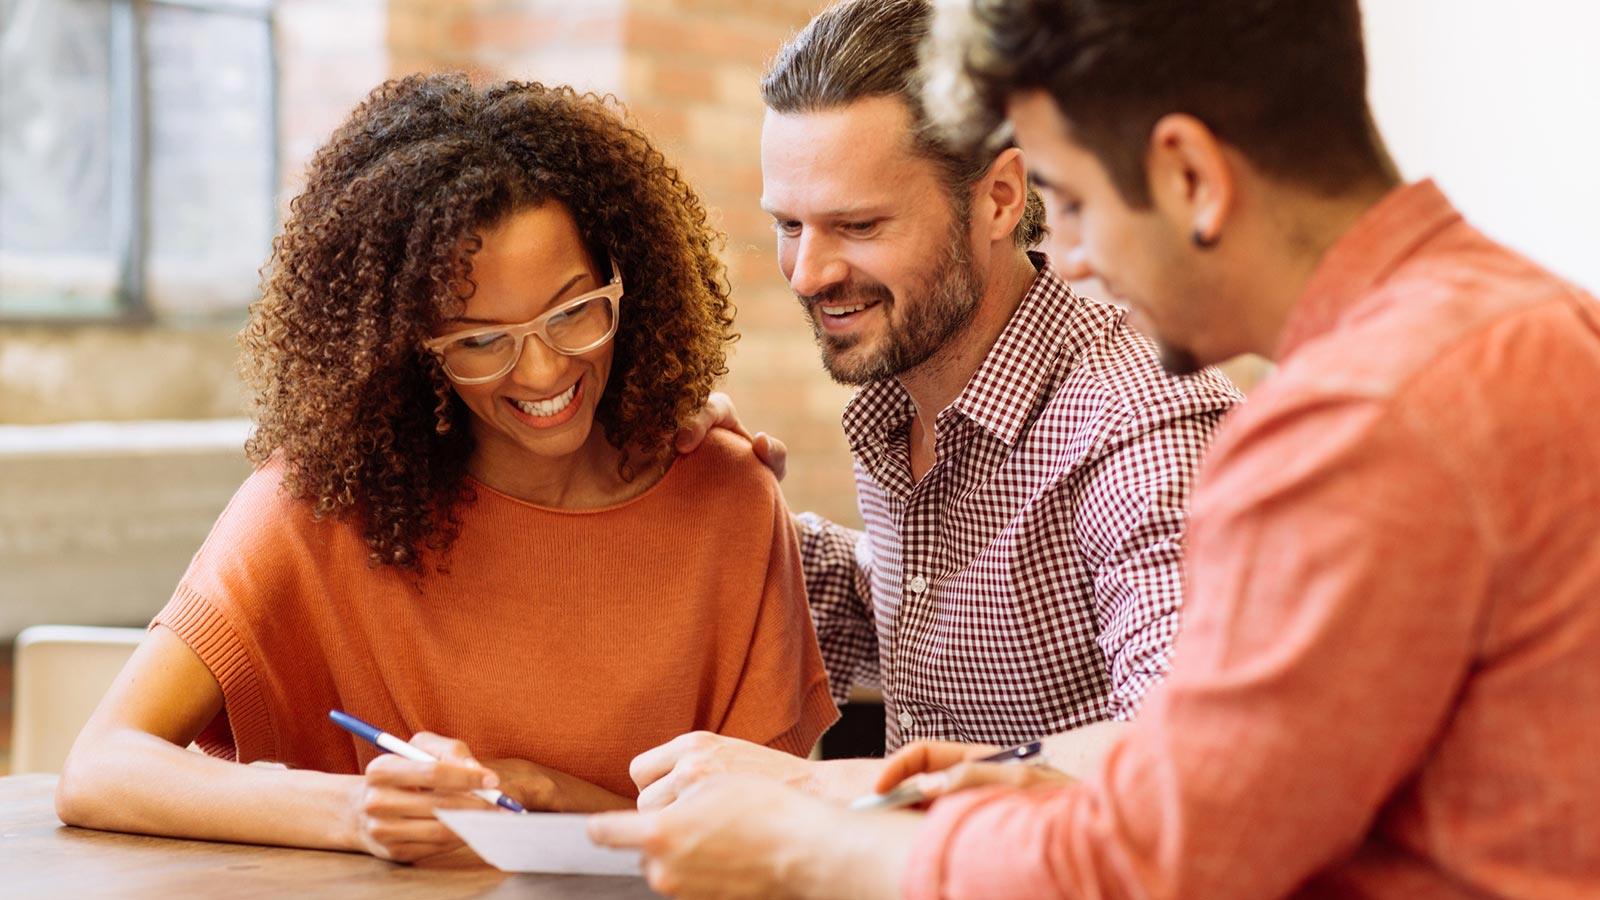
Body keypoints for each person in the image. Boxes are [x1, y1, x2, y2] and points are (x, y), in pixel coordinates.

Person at [589, 0, 1600, 897]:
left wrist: (800, 843)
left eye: (1069, 201)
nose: (1067, 254)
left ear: (1189, 174)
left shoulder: (1360, 417)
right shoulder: (1526, 327)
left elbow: (1161, 855)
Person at [53, 73, 836, 863]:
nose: (539, 373)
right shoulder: (326, 503)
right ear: (409, 344)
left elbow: (769, 845)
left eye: (573, 313)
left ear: (625, 280)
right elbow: (100, 766)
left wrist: (545, 794)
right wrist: (356, 810)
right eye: (480, 341)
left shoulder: (728, 501)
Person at [637, 0, 1239, 809]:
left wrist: (822, 788)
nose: (809, 273)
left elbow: (1193, 749)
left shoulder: (1143, 417)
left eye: (857, 224)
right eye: (788, 224)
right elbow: (928, 612)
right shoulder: (902, 390)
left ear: (996, 199)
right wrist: (724, 501)